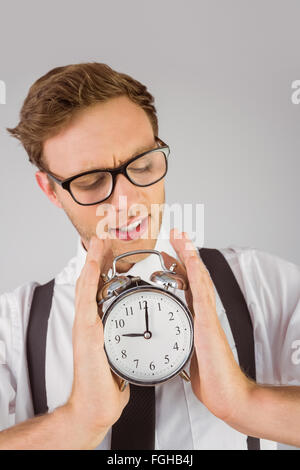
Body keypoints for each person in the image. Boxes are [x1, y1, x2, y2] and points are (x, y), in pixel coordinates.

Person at [0, 62, 299, 450]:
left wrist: (244, 403)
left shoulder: (265, 285)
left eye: (142, 165)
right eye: (91, 181)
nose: (126, 202)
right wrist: (75, 424)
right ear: (50, 189)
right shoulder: (13, 328)